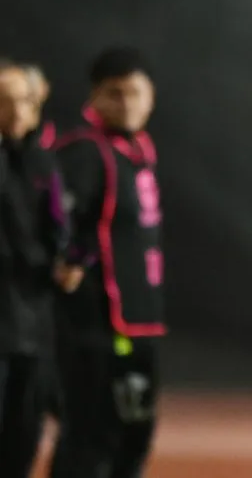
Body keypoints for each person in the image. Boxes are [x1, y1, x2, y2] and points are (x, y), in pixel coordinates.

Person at [49, 46, 165, 478]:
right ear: (94, 97)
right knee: (90, 435)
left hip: (139, 321)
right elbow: (60, 219)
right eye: (115, 94)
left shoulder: (137, 151)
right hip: (99, 327)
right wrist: (71, 260)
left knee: (133, 434)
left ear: (151, 95)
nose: (127, 103)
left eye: (135, 92)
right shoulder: (84, 151)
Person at [0, 62, 78, 477]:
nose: (14, 111)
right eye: (5, 101)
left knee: (24, 436)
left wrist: (68, 263)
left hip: (32, 324)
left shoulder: (44, 164)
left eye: (23, 101)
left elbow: (61, 232)